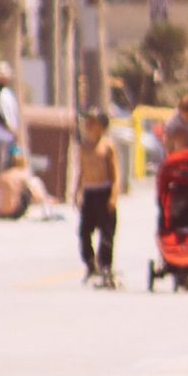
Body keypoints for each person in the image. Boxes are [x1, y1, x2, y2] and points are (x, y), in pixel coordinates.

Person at [73, 110, 120, 285]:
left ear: (101, 126)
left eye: (92, 122)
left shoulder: (107, 146)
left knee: (106, 232)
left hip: (104, 191)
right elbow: (81, 171)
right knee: (84, 231)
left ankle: (105, 266)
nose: (88, 125)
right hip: (89, 192)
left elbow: (115, 174)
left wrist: (113, 196)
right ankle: (90, 263)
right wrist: (77, 192)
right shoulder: (83, 147)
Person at [0, 146, 53, 221]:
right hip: (14, 212)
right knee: (34, 182)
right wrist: (46, 199)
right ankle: (47, 212)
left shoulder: (3, 176)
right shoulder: (23, 175)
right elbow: (38, 196)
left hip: (0, 212)